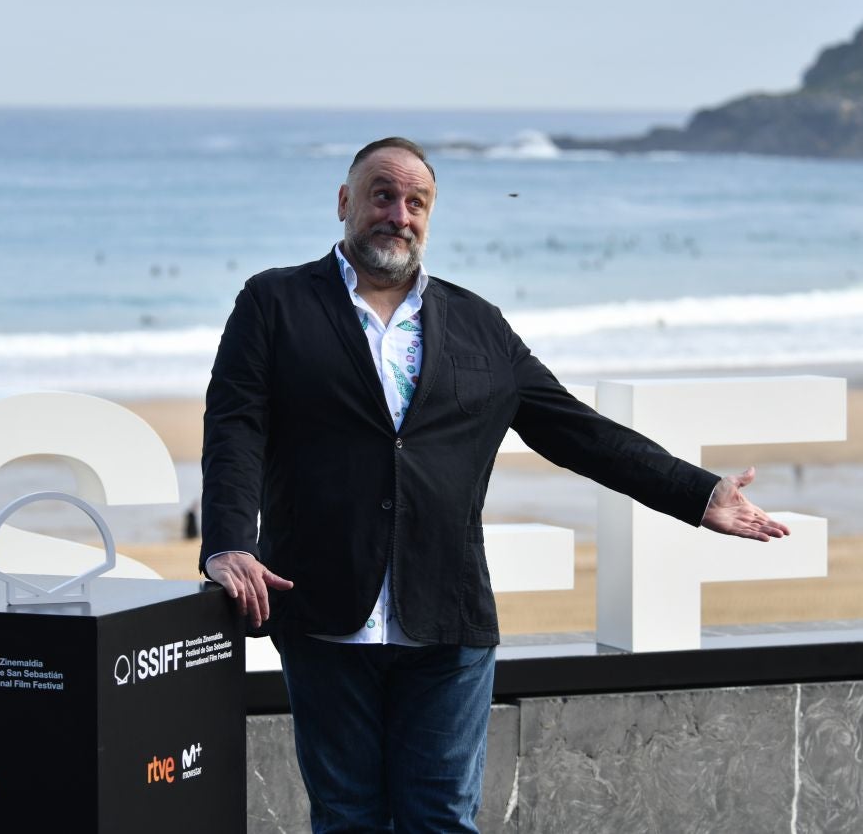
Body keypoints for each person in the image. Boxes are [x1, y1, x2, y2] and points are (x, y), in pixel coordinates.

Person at [200, 137, 788, 833]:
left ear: (430, 216)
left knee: (441, 818)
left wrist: (699, 493)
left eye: (415, 202)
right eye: (382, 195)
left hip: (448, 620)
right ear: (344, 204)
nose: (398, 213)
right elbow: (234, 429)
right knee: (347, 817)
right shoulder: (274, 303)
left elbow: (576, 430)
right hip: (324, 611)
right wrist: (230, 544)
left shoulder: (479, 325)